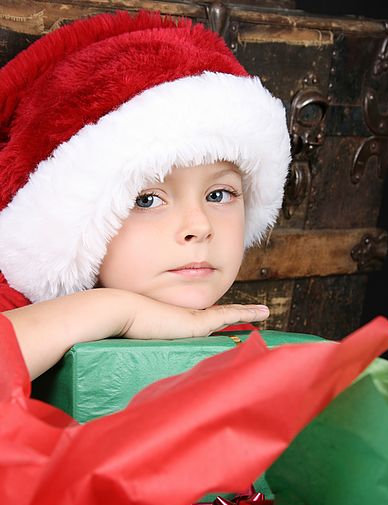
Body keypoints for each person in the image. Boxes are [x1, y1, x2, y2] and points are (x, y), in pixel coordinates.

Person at [0, 10, 291, 381]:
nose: (200, 226)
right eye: (147, 200)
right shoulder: (19, 316)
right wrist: (114, 309)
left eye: (219, 194)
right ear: (73, 222)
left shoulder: (238, 343)